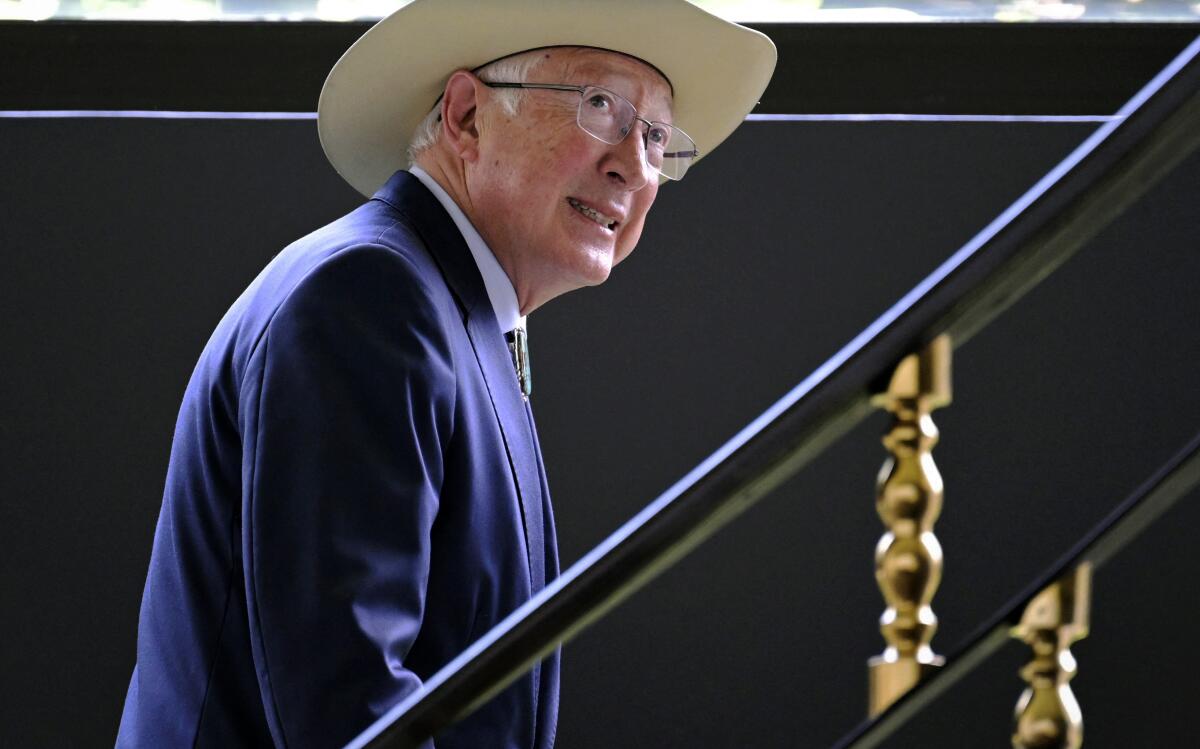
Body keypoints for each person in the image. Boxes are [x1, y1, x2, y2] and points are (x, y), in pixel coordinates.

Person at [115, 1, 775, 747]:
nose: (635, 163)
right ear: (465, 117)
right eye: (602, 106)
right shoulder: (369, 297)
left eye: (657, 136)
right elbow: (350, 710)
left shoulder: (449, 306)